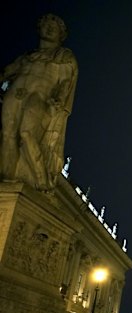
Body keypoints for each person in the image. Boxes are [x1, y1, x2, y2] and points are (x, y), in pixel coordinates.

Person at [0, 14, 78, 191]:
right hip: (16, 93)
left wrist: (59, 98)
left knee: (27, 133)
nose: (49, 29)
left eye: (55, 27)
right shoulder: (27, 57)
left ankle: (41, 179)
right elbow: (7, 71)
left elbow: (66, 81)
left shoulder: (63, 57)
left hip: (41, 97)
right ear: (39, 28)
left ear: (61, 35)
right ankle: (8, 179)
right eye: (46, 25)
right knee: (8, 135)